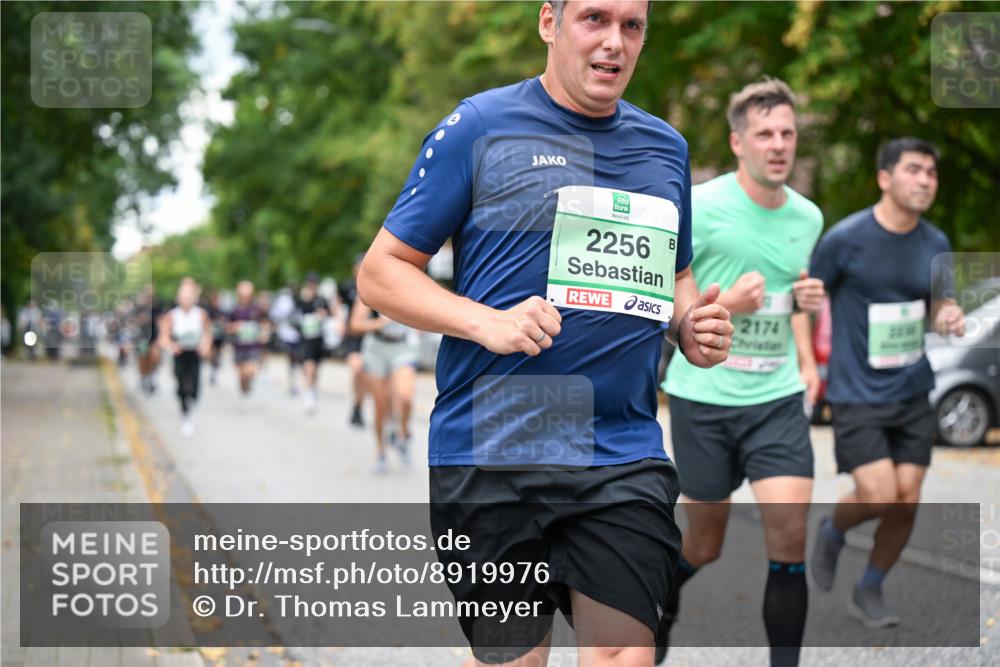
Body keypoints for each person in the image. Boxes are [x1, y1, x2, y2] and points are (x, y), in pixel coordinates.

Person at [356, 2, 734, 664]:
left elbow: (677, 274)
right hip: (494, 449)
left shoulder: (665, 148)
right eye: (595, 18)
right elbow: (381, 273)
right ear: (548, 23)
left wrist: (689, 320)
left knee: (624, 653)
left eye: (632, 25)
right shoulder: (479, 127)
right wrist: (487, 321)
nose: (615, 41)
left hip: (619, 450)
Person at [657, 79, 825, 667]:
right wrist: (728, 307)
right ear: (738, 143)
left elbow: (789, 297)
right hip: (704, 397)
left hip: (775, 398)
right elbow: (664, 296)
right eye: (764, 134)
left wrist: (805, 326)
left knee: (789, 536)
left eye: (787, 133)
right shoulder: (699, 206)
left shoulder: (809, 217)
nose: (778, 145)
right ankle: (661, 600)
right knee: (704, 543)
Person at [808, 138, 965, 628]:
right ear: (885, 178)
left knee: (907, 497)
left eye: (932, 174)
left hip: (912, 388)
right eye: (914, 170)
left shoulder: (935, 243)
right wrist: (806, 365)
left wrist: (949, 315)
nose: (924, 180)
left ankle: (870, 586)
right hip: (856, 391)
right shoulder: (845, 239)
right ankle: (833, 530)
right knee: (878, 494)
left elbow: (940, 305)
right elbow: (808, 298)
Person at [350, 297, 419, 473]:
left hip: (402, 347)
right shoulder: (371, 285)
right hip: (376, 350)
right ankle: (381, 451)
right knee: (380, 405)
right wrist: (381, 322)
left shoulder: (407, 284)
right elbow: (356, 324)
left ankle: (402, 436)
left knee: (405, 397)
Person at [157, 278, 212, 438]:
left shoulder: (201, 314)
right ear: (178, 298)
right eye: (184, 296)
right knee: (182, 386)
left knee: (194, 387)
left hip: (195, 354)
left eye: (189, 296)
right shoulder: (172, 315)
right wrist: (172, 346)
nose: (186, 299)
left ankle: (190, 404)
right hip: (179, 354)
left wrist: (205, 345)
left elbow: (207, 333)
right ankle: (185, 414)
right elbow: (163, 337)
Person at [228, 280, 269, 411]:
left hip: (253, 346)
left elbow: (264, 323)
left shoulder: (257, 309)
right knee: (242, 375)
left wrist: (264, 333)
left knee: (250, 370)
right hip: (239, 346)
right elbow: (227, 326)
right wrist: (234, 327)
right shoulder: (234, 309)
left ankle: (248, 390)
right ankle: (244, 391)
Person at [295, 273, 331, 415]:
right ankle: (308, 392)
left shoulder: (322, 300)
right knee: (308, 366)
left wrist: (323, 315)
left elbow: (329, 315)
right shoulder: (302, 299)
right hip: (305, 339)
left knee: (316, 368)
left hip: (318, 338)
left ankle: (312, 388)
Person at [339, 257, 368, 427]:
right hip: (352, 336)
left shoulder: (377, 285)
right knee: (358, 369)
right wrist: (339, 322)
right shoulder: (347, 287)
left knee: (369, 375)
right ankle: (357, 405)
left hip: (370, 336)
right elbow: (337, 306)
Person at [207, 290, 229, 386]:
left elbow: (226, 323)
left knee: (218, 354)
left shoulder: (223, 311)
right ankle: (213, 369)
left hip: (220, 336)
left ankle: (215, 371)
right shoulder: (208, 310)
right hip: (211, 336)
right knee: (212, 354)